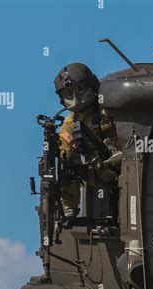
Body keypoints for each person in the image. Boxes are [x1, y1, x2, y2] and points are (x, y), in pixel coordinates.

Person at [54, 63, 122, 218]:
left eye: (79, 89)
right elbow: (67, 168)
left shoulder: (112, 109)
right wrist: (69, 208)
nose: (75, 96)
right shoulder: (69, 127)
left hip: (133, 174)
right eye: (68, 93)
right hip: (103, 181)